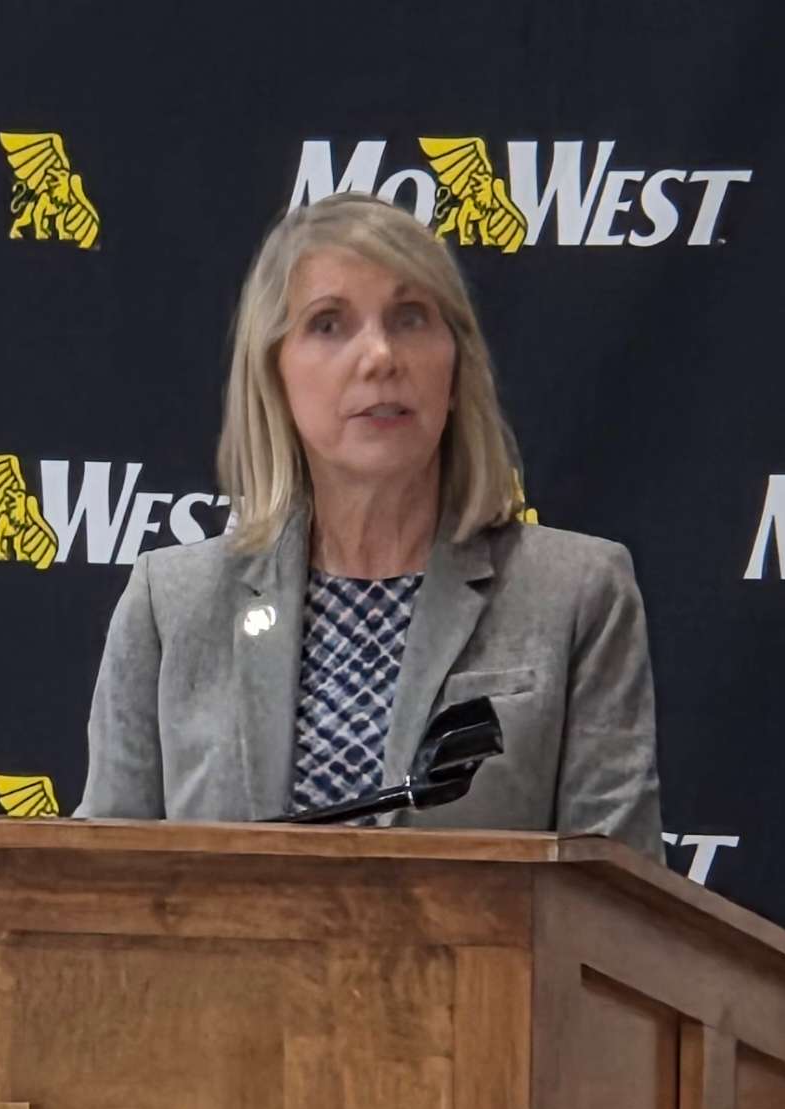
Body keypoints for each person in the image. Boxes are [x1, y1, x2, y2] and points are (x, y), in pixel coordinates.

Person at [79, 193, 661, 852]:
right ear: (275, 371)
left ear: (455, 363)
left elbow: (618, 915)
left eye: (410, 318)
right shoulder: (173, 603)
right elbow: (98, 894)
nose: (380, 356)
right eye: (329, 324)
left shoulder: (576, 594)